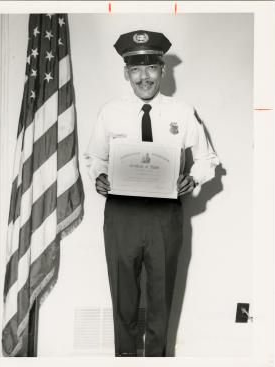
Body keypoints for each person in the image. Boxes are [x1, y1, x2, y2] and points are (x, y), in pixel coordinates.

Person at [85, 30, 219, 357]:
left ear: (162, 69)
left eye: (151, 68)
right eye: (135, 69)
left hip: (164, 217)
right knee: (124, 301)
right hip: (122, 215)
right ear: (126, 73)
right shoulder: (110, 112)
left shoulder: (182, 112)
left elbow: (208, 160)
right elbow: (94, 157)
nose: (144, 77)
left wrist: (193, 178)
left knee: (160, 302)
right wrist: (99, 176)